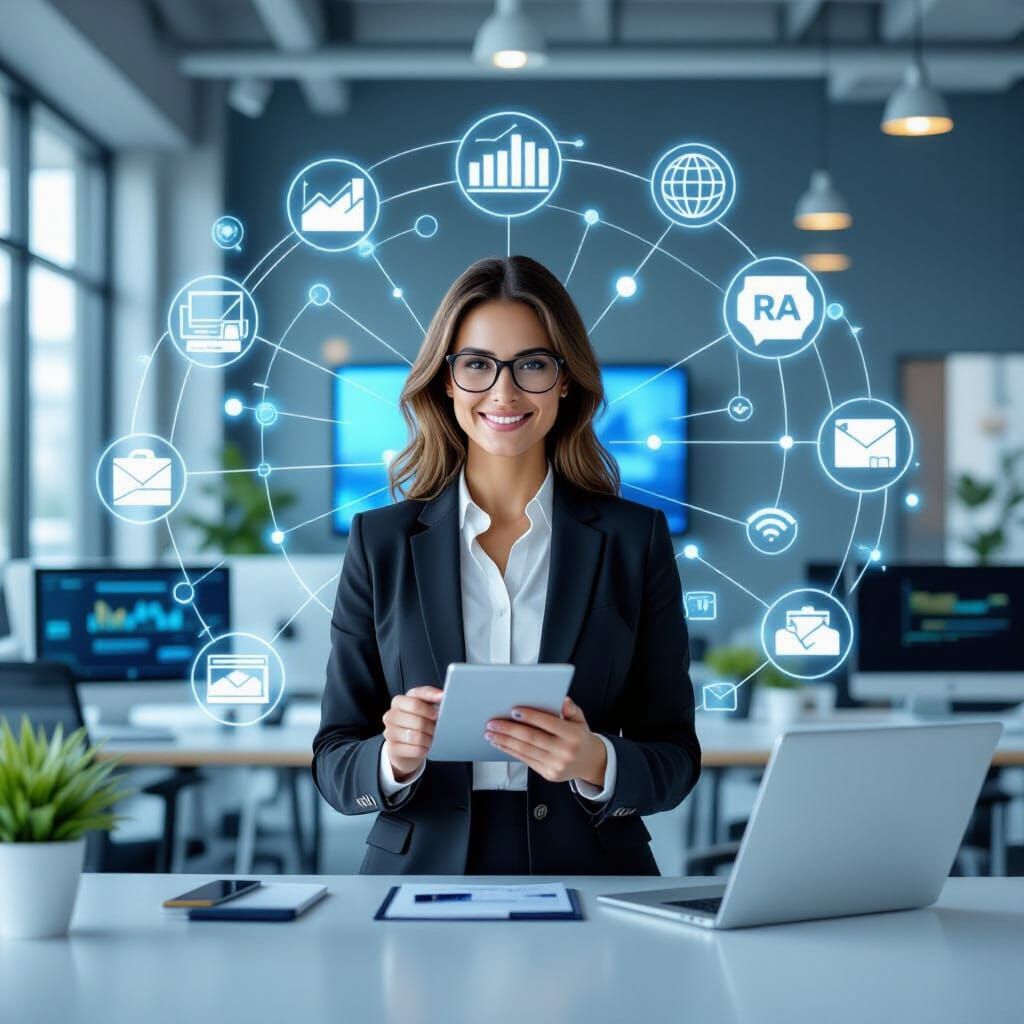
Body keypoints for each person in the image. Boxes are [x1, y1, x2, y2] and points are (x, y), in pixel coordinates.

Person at [313, 255, 701, 875]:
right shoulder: (380, 542)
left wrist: (595, 761)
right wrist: (393, 757)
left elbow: (676, 758)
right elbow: (334, 759)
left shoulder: (634, 540)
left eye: (533, 364)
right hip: (421, 874)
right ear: (446, 381)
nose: (504, 391)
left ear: (565, 379)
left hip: (591, 872)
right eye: (477, 364)